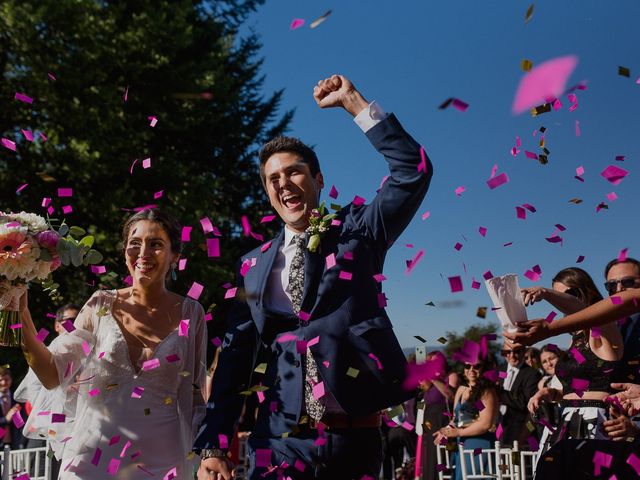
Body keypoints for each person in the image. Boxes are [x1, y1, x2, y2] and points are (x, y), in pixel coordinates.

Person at [195, 74, 433, 480]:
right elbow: (235, 361)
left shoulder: (360, 230)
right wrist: (214, 444)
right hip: (278, 440)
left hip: (353, 443)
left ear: (318, 180)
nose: (284, 183)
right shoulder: (252, 266)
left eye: (294, 172)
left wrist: (354, 103)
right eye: (273, 179)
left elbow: (413, 171)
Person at [15, 209, 207, 479]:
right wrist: (20, 312)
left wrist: (211, 452)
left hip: (164, 463)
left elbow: (197, 395)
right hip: (91, 460)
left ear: (175, 256)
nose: (143, 253)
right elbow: (50, 375)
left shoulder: (191, 313)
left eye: (156, 244)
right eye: (135, 243)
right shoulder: (99, 304)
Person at [523, 268, 624, 478]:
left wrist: (547, 293)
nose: (564, 300)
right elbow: (578, 386)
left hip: (595, 422)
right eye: (560, 294)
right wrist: (550, 393)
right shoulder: (573, 338)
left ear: (586, 291)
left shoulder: (604, 327)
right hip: (566, 422)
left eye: (571, 293)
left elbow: (584, 311)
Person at [433, 359, 498, 480]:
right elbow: (455, 419)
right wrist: (447, 430)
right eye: (468, 366)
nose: (471, 370)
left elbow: (485, 423)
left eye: (477, 366)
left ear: (483, 368)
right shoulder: (461, 389)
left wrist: (459, 432)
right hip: (462, 444)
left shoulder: (486, 391)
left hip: (480, 444)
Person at [497, 343, 541, 446]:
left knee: (517, 461)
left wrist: (499, 392)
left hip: (519, 429)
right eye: (507, 352)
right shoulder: (498, 371)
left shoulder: (532, 374)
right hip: (497, 427)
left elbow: (524, 402)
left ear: (523, 352)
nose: (512, 356)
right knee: (498, 460)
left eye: (516, 351)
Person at [0, 367, 24, 451]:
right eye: (0, 380)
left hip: (14, 443)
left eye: (6, 380)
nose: (3, 383)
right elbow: (5, 420)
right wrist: (5, 419)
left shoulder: (17, 398)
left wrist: (16, 416)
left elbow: (20, 424)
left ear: (11, 380)